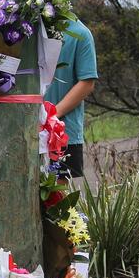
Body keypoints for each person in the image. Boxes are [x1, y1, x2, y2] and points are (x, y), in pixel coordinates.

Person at [43, 11, 97, 182]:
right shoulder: (29, 29)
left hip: (62, 132)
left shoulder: (80, 33)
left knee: (56, 201)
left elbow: (87, 82)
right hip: (27, 128)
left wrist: (51, 117)